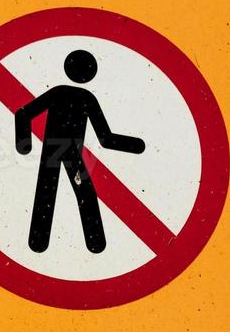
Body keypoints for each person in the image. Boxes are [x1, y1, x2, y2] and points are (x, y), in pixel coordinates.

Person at [14, 50, 144, 253]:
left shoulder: (65, 93)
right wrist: (136, 145)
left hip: (61, 151)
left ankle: (43, 243)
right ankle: (91, 244)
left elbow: (23, 114)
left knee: (52, 193)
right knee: (75, 193)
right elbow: (106, 138)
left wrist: (24, 144)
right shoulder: (83, 97)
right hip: (64, 151)